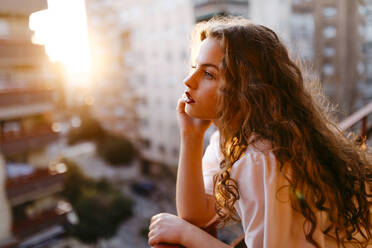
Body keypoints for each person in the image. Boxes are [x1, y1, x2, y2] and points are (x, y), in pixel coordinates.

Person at [147, 16, 372, 248]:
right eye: (195, 67)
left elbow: (191, 224)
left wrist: (186, 235)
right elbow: (198, 214)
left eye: (209, 74)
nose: (188, 81)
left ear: (244, 90)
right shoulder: (230, 141)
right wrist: (190, 136)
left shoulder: (260, 156)